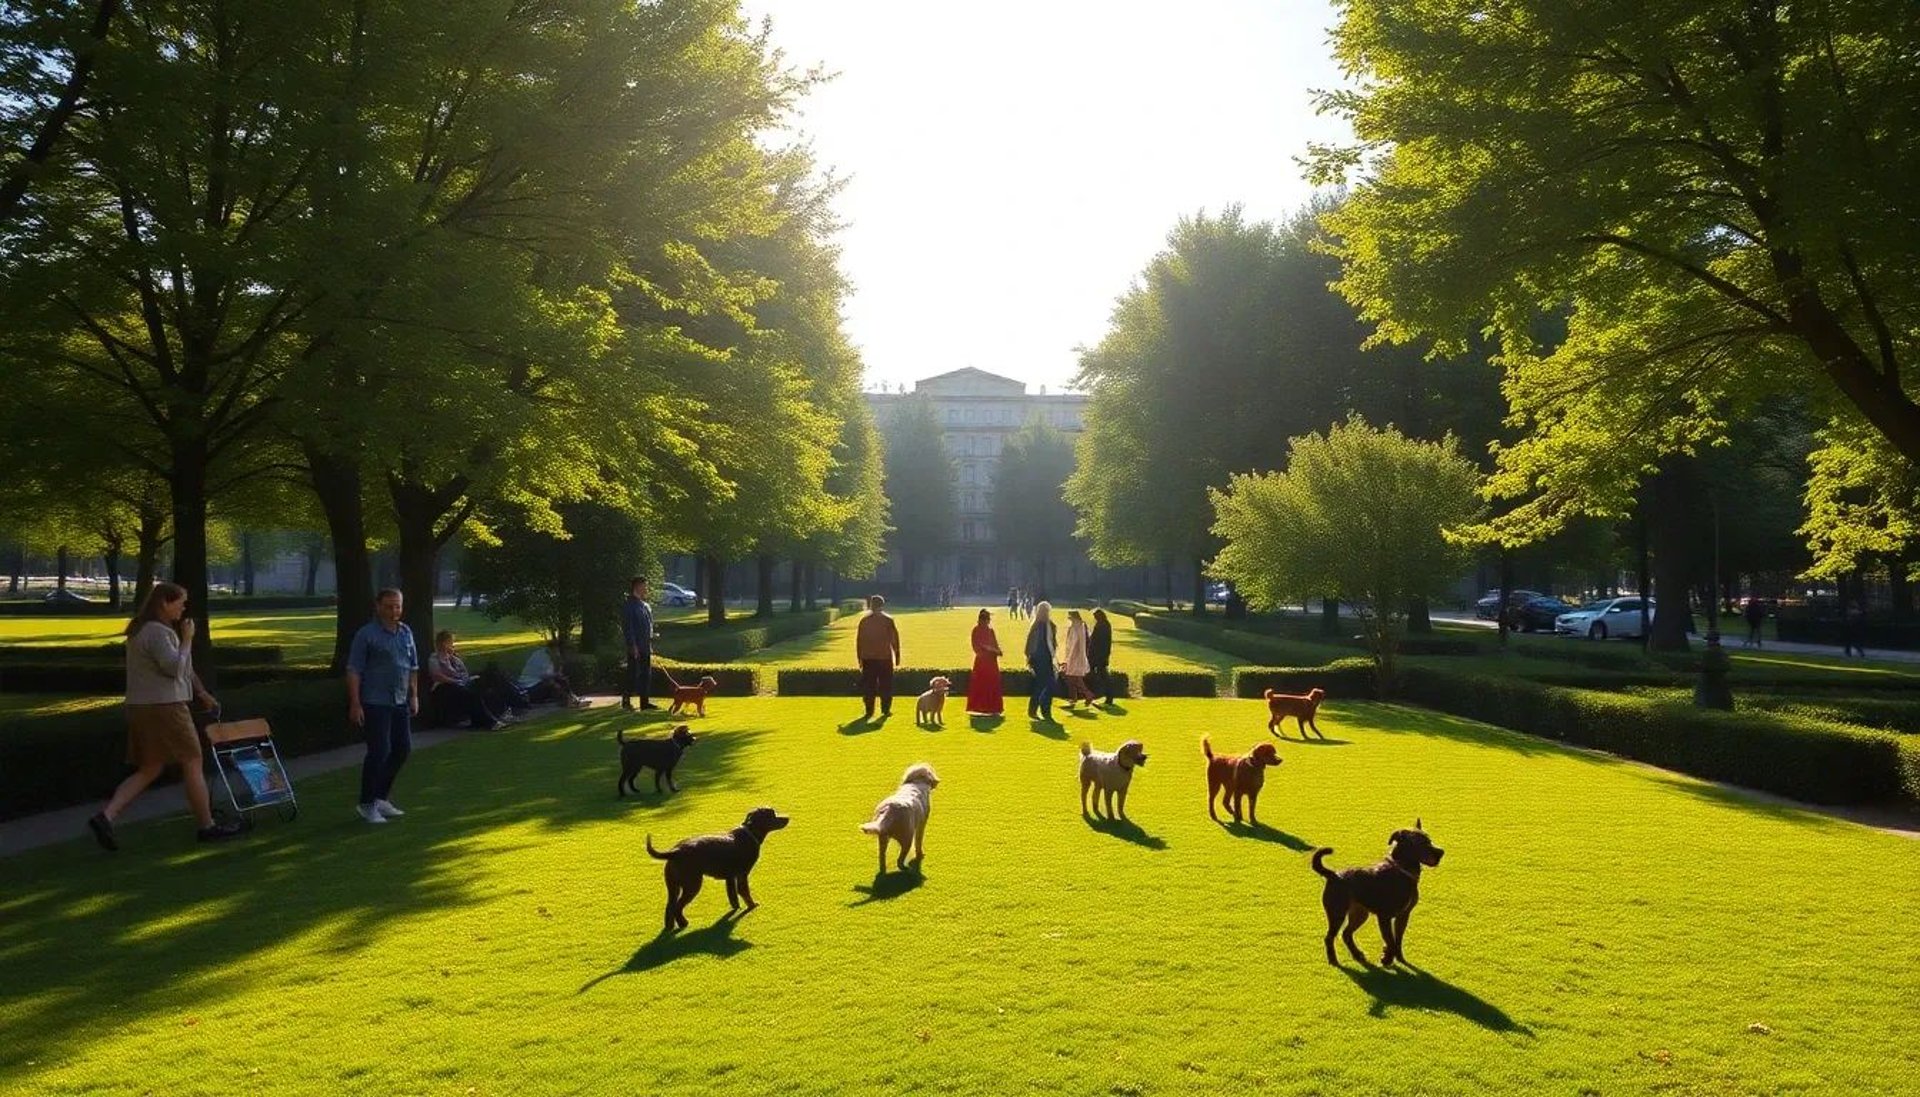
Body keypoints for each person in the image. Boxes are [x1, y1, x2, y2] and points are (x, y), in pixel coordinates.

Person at [87, 583, 244, 850]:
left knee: (151, 767)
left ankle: (107, 816)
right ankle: (207, 826)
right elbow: (175, 668)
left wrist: (202, 693)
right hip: (166, 708)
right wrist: (187, 639)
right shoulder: (158, 632)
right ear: (164, 603)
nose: (184, 607)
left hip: (141, 707)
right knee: (192, 759)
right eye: (180, 602)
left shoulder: (142, 630)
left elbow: (183, 666)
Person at [347, 589, 420, 825]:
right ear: (378, 607)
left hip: (399, 700)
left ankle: (380, 798)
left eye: (397, 606)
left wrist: (414, 696)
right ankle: (367, 804)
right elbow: (354, 670)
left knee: (402, 750)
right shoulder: (366, 635)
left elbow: (412, 667)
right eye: (389, 606)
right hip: (374, 701)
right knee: (379, 752)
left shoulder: (406, 632)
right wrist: (355, 703)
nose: (394, 611)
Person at [427, 631, 509, 730]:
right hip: (444, 687)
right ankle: (491, 722)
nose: (451, 645)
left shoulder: (454, 659)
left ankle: (499, 713)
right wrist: (456, 681)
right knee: (468, 693)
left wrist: (455, 662)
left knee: (486, 681)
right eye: (449, 643)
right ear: (442, 643)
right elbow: (437, 676)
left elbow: (464, 673)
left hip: (460, 683)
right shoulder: (434, 658)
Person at [856, 594, 902, 720]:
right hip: (884, 658)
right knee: (886, 685)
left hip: (868, 658)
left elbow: (859, 641)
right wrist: (897, 656)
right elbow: (894, 640)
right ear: (882, 605)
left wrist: (859, 657)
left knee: (869, 686)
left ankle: (869, 711)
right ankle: (885, 710)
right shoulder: (888, 620)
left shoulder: (864, 621)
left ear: (871, 605)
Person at [621, 576, 658, 711]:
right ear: (637, 586)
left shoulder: (644, 605)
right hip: (636, 646)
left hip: (645, 645)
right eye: (644, 586)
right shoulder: (629, 606)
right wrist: (632, 645)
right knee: (633, 673)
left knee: (646, 674)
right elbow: (628, 627)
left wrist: (650, 640)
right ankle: (626, 699)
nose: (646, 589)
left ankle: (645, 702)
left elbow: (648, 625)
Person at [518, 640, 587, 707]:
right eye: (556, 650)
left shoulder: (544, 654)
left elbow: (552, 673)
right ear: (552, 648)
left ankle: (572, 698)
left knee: (560, 680)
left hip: (535, 685)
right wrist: (557, 678)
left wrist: (559, 671)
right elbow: (546, 676)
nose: (557, 653)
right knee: (553, 683)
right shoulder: (543, 657)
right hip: (530, 689)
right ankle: (569, 700)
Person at [967, 609, 1004, 715]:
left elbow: (995, 645)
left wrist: (996, 651)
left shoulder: (990, 631)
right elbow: (976, 647)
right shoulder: (976, 630)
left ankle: (991, 708)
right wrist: (989, 651)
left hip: (990, 661)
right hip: (983, 662)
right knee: (984, 684)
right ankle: (983, 707)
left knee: (990, 684)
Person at [1025, 600, 1058, 722]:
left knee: (1048, 685)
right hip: (1039, 660)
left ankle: (1044, 710)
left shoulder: (1049, 626)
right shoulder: (1037, 626)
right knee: (1041, 685)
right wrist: (1030, 657)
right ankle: (1034, 710)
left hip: (1046, 659)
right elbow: (1030, 645)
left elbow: (1053, 643)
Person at [1061, 609, 1096, 707]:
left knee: (1073, 678)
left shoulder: (1077, 626)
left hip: (1075, 656)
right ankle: (1078, 697)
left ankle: (1081, 696)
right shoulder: (1078, 626)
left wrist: (1068, 658)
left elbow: (1074, 643)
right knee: (1073, 678)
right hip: (1075, 655)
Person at [1088, 608, 1115, 704]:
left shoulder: (1102, 625)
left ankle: (1108, 696)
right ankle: (1104, 695)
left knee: (1102, 675)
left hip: (1099, 655)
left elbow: (1100, 642)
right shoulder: (1103, 624)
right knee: (1101, 675)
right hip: (1099, 655)